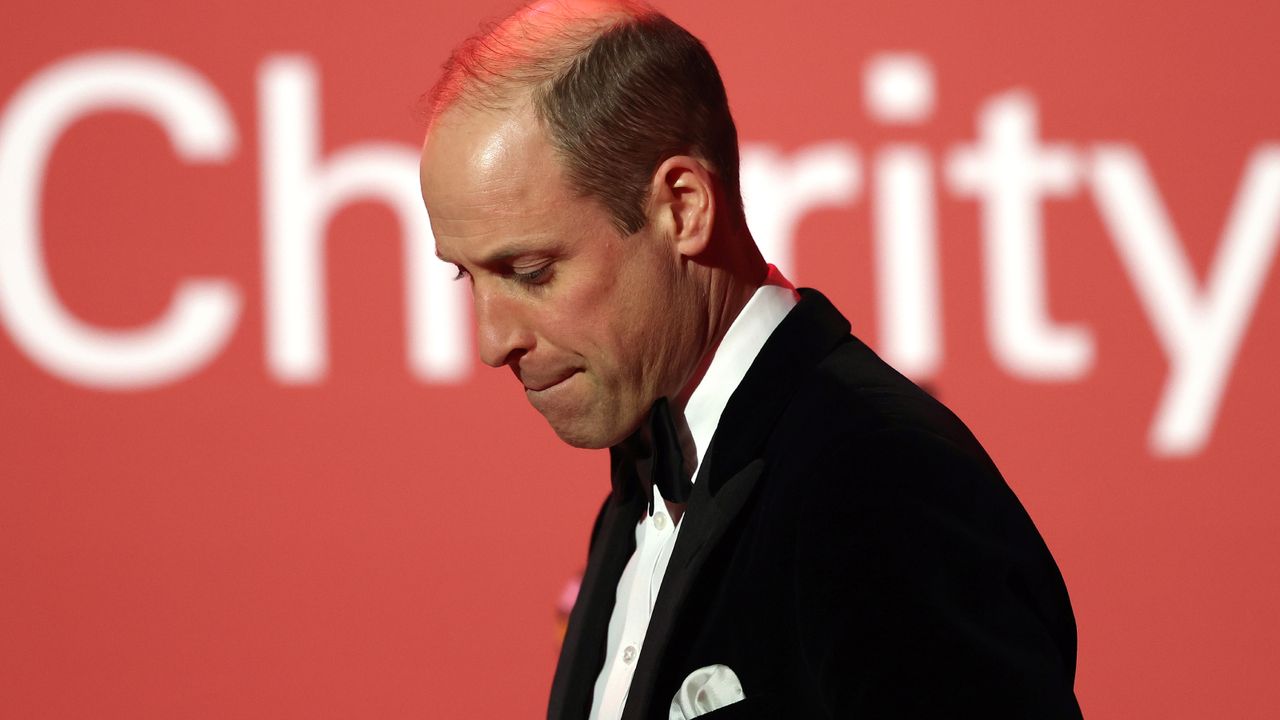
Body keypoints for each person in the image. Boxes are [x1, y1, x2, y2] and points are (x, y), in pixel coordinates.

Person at [417, 1, 1082, 718]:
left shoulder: (881, 482)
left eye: (531, 269)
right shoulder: (640, 489)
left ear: (683, 208)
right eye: (465, 276)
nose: (491, 342)